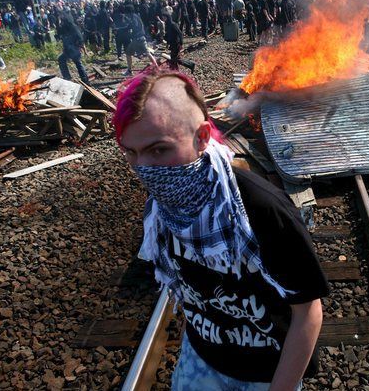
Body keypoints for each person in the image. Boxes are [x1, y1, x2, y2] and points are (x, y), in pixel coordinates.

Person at [113, 70, 328, 391]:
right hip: (203, 358)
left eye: (159, 150)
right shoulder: (162, 206)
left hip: (266, 370)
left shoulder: (261, 207)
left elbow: (308, 312)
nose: (144, 168)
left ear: (201, 137)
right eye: (131, 152)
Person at [57, 14, 89, 83]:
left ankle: (85, 80)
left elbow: (80, 39)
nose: (61, 22)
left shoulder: (74, 27)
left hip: (74, 49)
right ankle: (67, 77)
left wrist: (80, 47)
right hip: (68, 50)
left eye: (62, 21)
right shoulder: (64, 28)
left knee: (78, 63)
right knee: (61, 59)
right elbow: (61, 35)